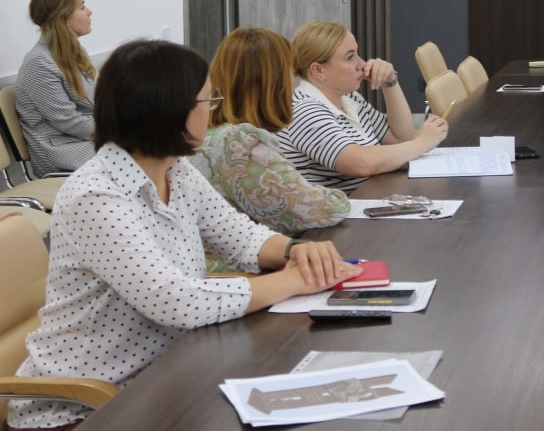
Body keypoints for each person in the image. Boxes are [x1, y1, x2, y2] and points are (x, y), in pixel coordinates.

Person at [8, 40, 360, 430]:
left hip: (163, 380)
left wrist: (295, 251)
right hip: (83, 408)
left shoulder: (177, 170)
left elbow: (241, 237)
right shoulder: (95, 197)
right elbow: (175, 301)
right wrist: (293, 281)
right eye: (207, 100)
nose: (212, 110)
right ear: (169, 111)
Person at [191, 27, 350, 235]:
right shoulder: (239, 142)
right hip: (255, 255)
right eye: (290, 73)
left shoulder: (210, 134)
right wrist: (336, 197)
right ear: (273, 83)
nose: (294, 84)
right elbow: (318, 209)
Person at [277, 21, 449, 192]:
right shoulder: (304, 110)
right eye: (350, 57)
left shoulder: (348, 98)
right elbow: (360, 163)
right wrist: (422, 143)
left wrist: (390, 81)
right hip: (344, 208)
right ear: (318, 71)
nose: (362, 64)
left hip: (371, 198)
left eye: (357, 54)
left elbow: (401, 138)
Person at [15, 0, 97, 177]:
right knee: (147, 152)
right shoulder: (39, 63)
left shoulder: (74, 52)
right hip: (62, 152)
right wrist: (120, 129)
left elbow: (94, 104)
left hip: (85, 140)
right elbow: (70, 123)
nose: (89, 11)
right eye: (82, 7)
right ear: (62, 18)